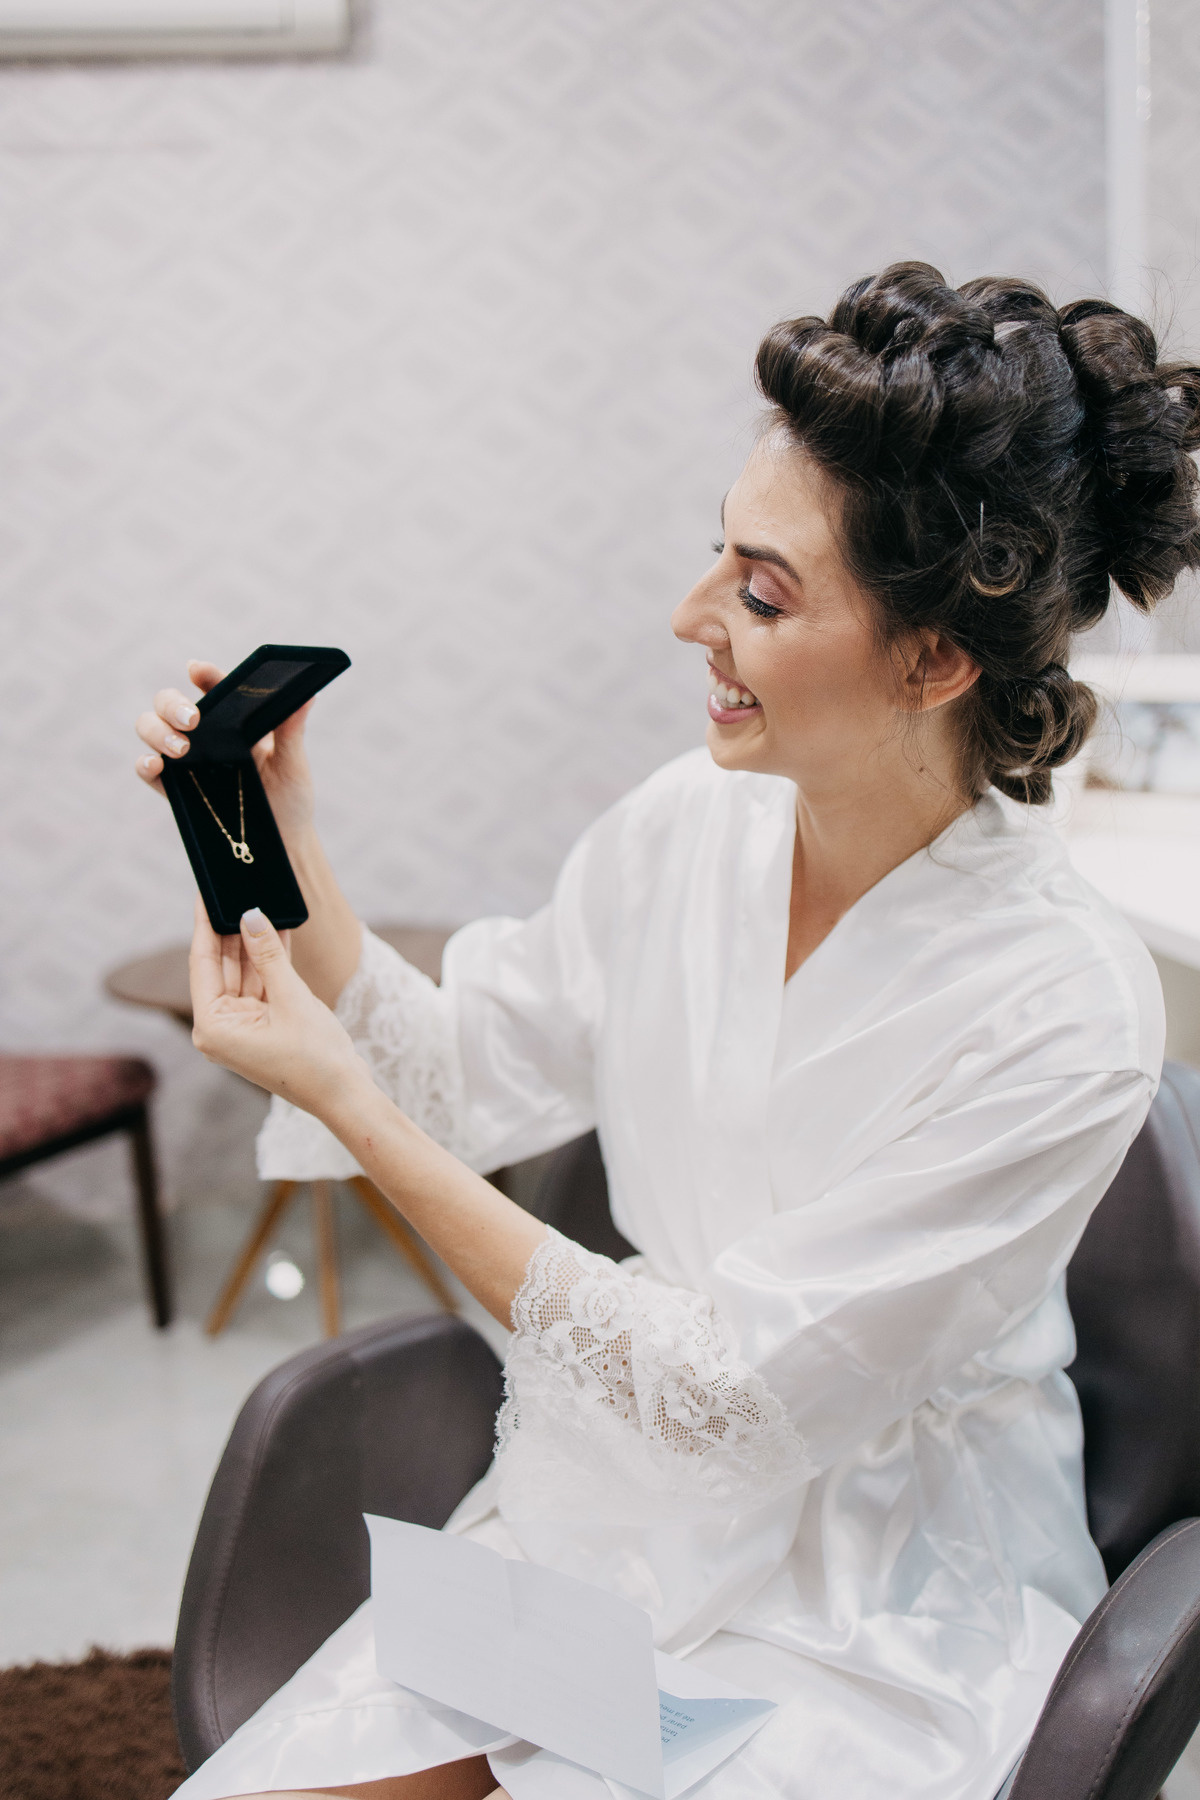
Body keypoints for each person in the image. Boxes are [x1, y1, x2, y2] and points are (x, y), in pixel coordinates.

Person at [137, 263, 1200, 1800]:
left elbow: (730, 1403)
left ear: (934, 658)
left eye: (762, 594)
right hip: (608, 1521)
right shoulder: (684, 826)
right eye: (718, 554)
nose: (689, 616)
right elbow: (462, 1071)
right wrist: (285, 844)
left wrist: (352, 1113)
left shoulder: (1061, 1006)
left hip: (883, 1600)